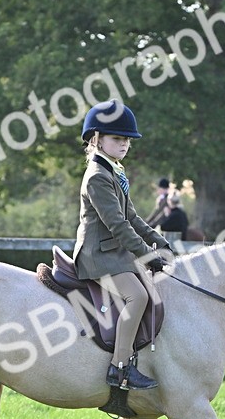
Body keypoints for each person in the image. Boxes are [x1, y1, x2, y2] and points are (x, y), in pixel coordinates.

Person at [73, 100, 171, 392]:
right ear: (97, 139)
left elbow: (132, 217)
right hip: (98, 255)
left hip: (114, 253)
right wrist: (147, 254)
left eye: (127, 139)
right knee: (137, 297)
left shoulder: (114, 172)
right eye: (117, 138)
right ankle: (120, 367)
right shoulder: (97, 177)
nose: (124, 144)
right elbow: (118, 225)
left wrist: (159, 241)